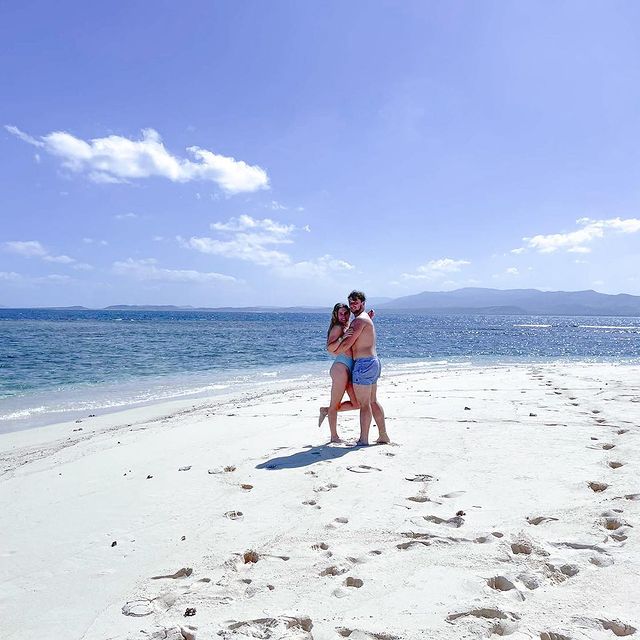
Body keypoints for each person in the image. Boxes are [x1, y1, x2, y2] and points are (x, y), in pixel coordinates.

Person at [334, 290, 390, 446]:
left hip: (364, 364)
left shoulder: (359, 321)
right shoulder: (364, 318)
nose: (352, 305)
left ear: (363, 303)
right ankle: (383, 435)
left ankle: (363, 439)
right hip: (373, 362)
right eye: (350, 303)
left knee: (365, 404)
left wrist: (333, 350)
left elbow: (348, 343)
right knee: (372, 401)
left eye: (356, 302)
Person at [319, 303, 360, 443]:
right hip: (340, 368)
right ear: (336, 315)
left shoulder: (347, 326)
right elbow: (330, 347)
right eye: (340, 313)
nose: (343, 316)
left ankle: (326, 410)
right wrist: (342, 337)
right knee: (335, 403)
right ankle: (334, 437)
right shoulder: (337, 327)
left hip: (349, 367)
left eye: (346, 313)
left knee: (357, 403)